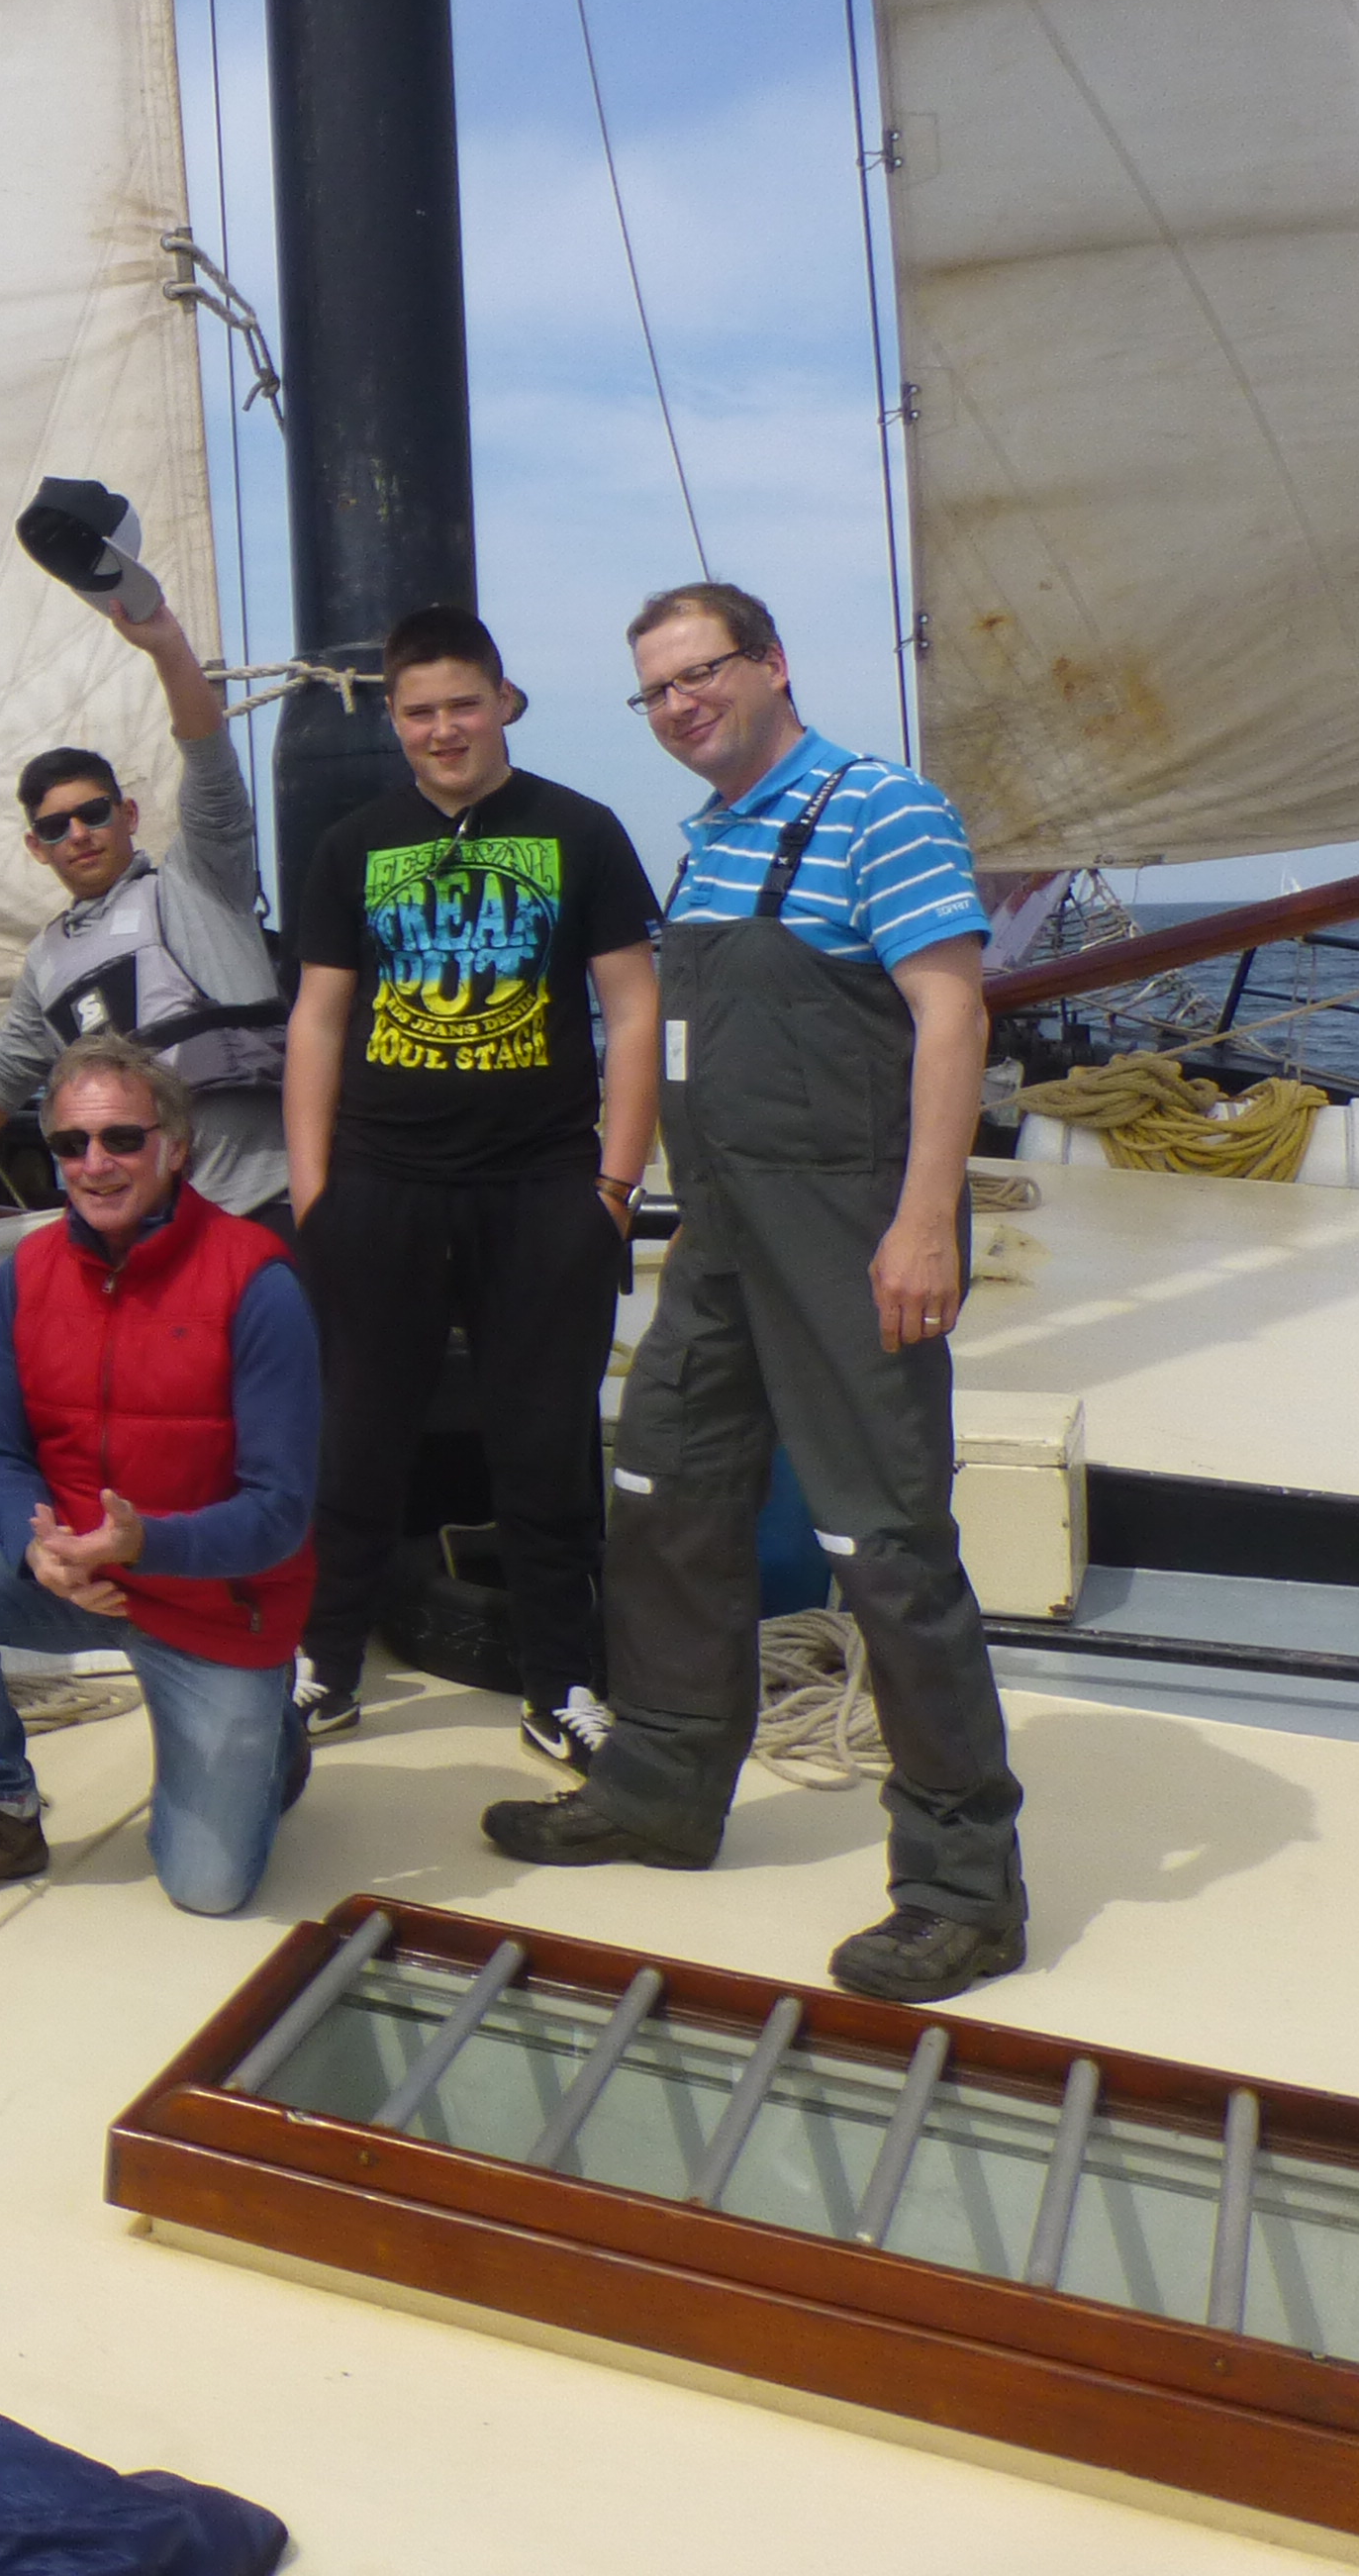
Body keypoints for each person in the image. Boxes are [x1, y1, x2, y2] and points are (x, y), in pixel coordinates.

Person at [485, 582, 1026, 2005]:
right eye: (656, 689)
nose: (681, 704)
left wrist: (924, 1225)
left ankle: (964, 1887)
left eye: (703, 672)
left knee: (884, 1543)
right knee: (665, 1484)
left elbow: (952, 1015)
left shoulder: (880, 808)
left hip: (849, 1235)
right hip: (722, 1232)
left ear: (773, 664)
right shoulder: (713, 841)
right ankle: (662, 1786)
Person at [284, 604, 661, 1763]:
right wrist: (314, 1193)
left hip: (543, 1187)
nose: (443, 729)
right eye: (419, 712)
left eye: (462, 704)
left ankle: (561, 1686)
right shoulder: (352, 846)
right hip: (381, 1186)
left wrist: (614, 1187)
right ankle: (325, 1667)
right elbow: (319, 1020)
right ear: (394, 720)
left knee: (545, 1451)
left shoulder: (582, 830)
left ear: (503, 703)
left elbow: (633, 1009)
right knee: (356, 1440)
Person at [0, 1038, 321, 1918]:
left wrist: (145, 1543)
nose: (96, 1163)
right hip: (78, 1574)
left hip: (214, 1600)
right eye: (71, 1144)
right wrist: (36, 1548)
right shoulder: (25, 1277)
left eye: (122, 1138)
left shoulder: (257, 1282)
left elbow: (282, 1511)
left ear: (176, 1147)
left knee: (205, 1889)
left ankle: (271, 1733)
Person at [0, 592, 292, 1225]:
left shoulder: (201, 882)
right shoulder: (47, 960)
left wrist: (166, 647)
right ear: (37, 847)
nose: (79, 834)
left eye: (93, 814)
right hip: (143, 1227)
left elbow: (211, 765)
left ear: (128, 814)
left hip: (265, 1206)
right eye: (56, 827)